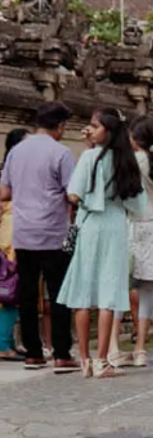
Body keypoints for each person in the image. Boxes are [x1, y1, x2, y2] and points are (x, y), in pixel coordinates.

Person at [59, 107, 147, 378]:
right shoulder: (126, 160)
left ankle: (85, 359)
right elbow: (138, 206)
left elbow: (73, 193)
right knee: (109, 293)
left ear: (107, 130)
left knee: (84, 293)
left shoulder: (88, 158)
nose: (90, 130)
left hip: (90, 224)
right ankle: (102, 361)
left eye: (94, 126)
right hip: (115, 223)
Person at [0, 102, 80, 373]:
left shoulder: (16, 151)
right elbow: (72, 192)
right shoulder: (62, 153)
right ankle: (61, 353)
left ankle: (33, 352)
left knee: (27, 293)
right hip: (54, 233)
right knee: (58, 293)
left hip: (23, 233)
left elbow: (4, 192)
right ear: (59, 126)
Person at [109, 115, 153, 368]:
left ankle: (114, 347)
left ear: (133, 138)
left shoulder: (130, 162)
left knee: (119, 287)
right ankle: (140, 349)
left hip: (130, 226)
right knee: (149, 290)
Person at [0, 129, 28, 362]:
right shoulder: (9, 176)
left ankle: (9, 341)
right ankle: (3, 344)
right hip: (10, 240)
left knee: (16, 292)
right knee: (9, 291)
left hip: (18, 235)